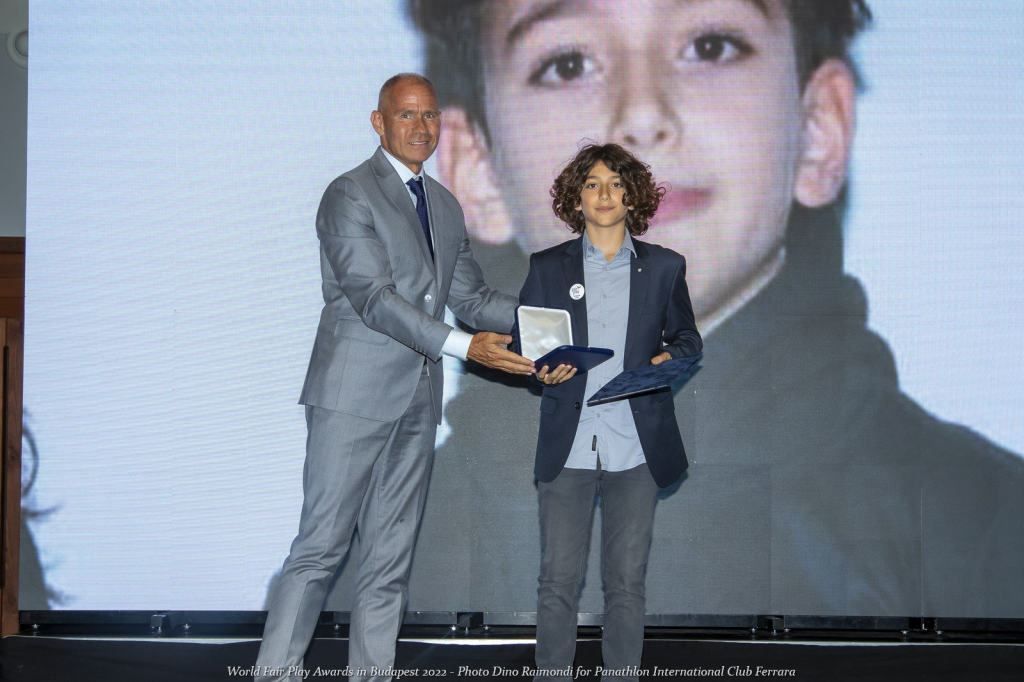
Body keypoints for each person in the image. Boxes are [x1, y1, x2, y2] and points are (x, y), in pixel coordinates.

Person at [410, 0, 1024, 619]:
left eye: (710, 47)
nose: (642, 114)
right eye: (568, 63)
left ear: (817, 131)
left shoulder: (998, 540)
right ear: (477, 170)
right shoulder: (379, 571)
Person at [253, 73, 535, 682]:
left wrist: (559, 316)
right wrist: (466, 348)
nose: (420, 127)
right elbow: (373, 298)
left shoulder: (446, 205)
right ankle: (275, 673)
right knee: (320, 549)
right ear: (378, 122)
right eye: (405, 115)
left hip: (417, 398)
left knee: (389, 560)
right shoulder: (348, 193)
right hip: (352, 398)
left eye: (430, 116)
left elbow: (474, 297)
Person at [521, 143, 702, 679]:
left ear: (633, 197)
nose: (605, 194)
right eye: (593, 184)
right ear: (576, 198)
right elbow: (527, 341)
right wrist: (541, 368)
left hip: (635, 447)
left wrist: (670, 357)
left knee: (626, 582)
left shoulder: (665, 266)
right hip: (569, 443)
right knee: (557, 580)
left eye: (616, 183)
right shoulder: (547, 266)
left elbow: (689, 339)